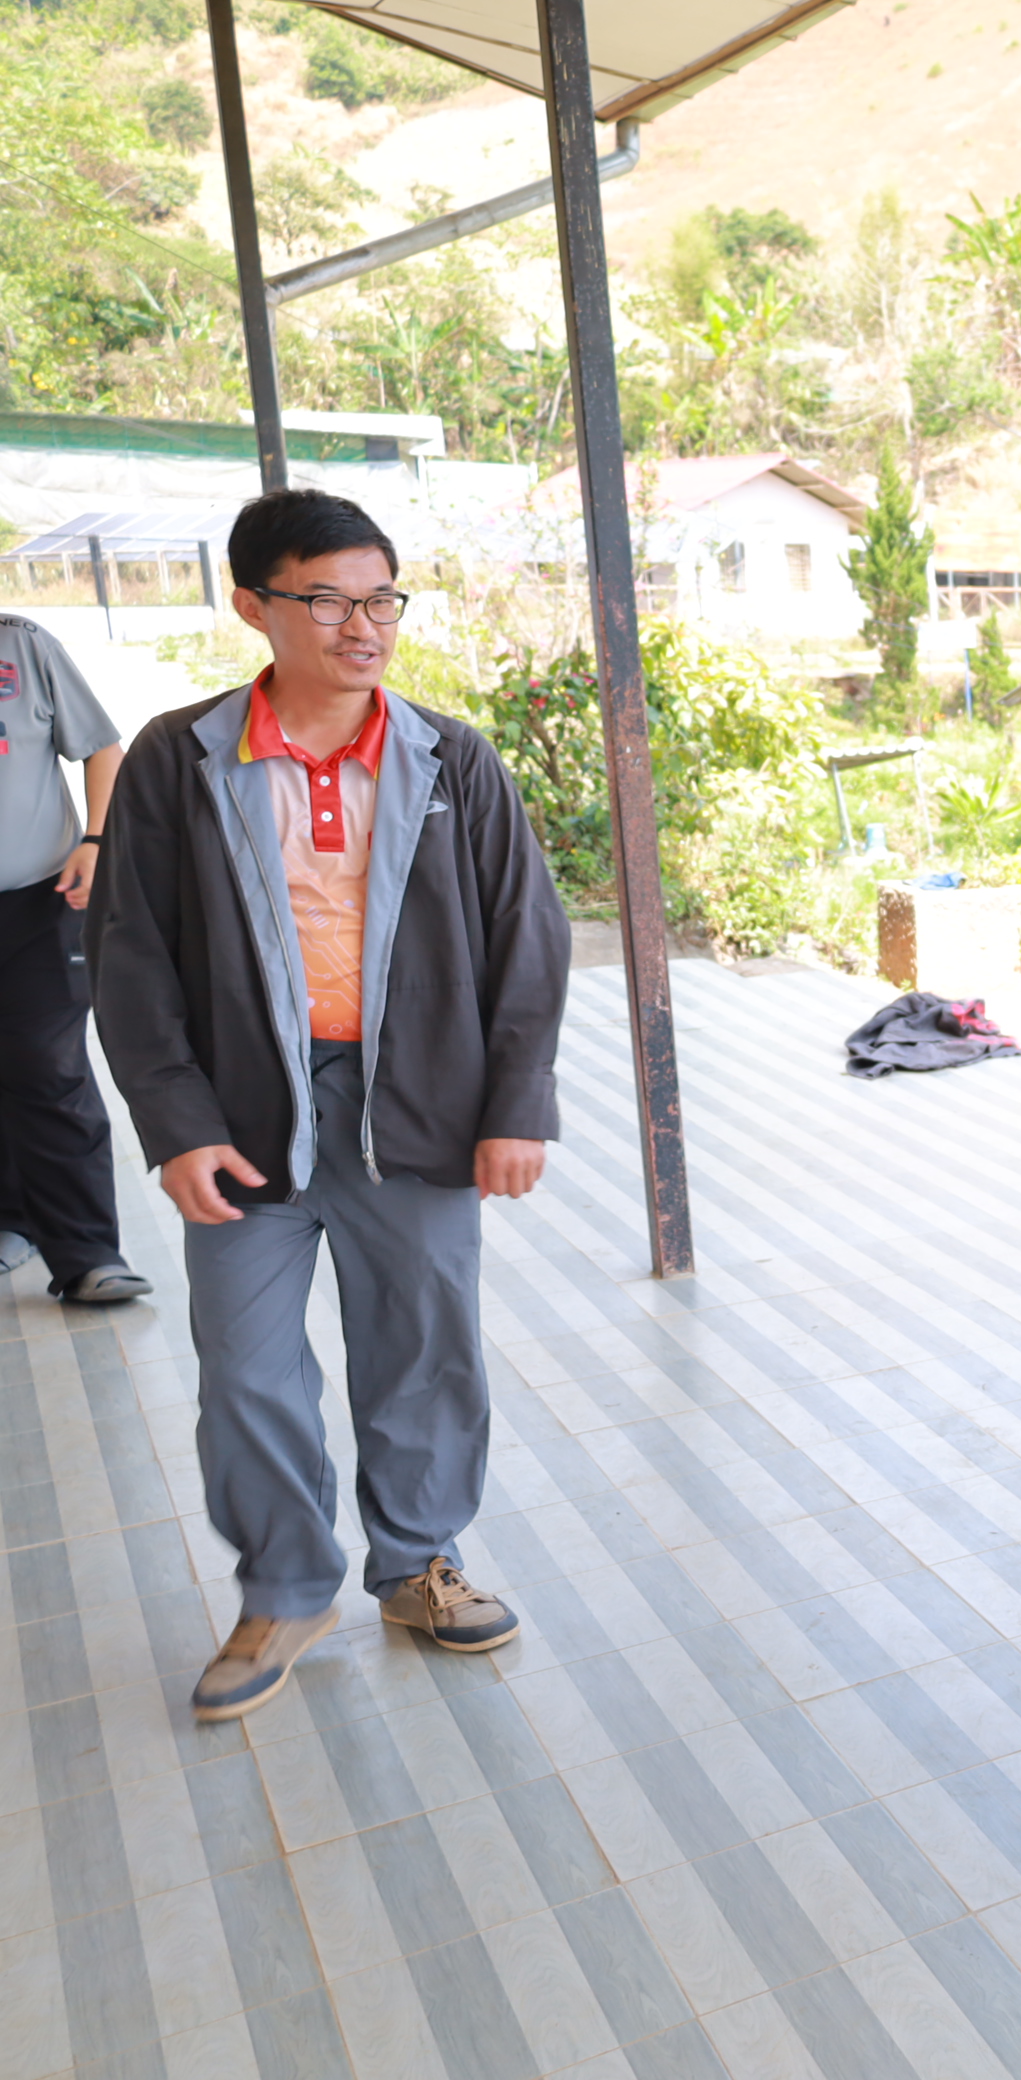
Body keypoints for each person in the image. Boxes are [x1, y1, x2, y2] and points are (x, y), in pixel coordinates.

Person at [86, 488, 570, 1724]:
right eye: (327, 600)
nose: (364, 627)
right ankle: (286, 1587)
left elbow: (527, 936)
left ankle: (417, 1563)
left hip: (417, 1106)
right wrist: (177, 1123)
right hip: (244, 1109)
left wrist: (515, 1102)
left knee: (422, 1345)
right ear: (254, 604)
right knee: (245, 1365)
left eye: (381, 598)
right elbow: (132, 956)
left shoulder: (449, 756)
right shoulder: (180, 759)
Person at [0, 613, 148, 1304]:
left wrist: (96, 839)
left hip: (39, 899)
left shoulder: (23, 644)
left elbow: (102, 749)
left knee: (46, 1064)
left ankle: (89, 1255)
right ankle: (11, 1220)